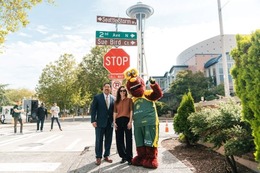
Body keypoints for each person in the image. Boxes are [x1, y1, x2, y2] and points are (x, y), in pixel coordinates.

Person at [90, 82, 115, 165]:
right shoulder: (97, 97)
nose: (107, 88)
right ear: (103, 88)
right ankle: (98, 157)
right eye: (105, 87)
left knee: (108, 140)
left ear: (110, 89)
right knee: (99, 140)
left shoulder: (113, 98)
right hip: (99, 123)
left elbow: (114, 111)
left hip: (110, 123)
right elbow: (93, 110)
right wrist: (93, 120)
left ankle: (106, 155)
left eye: (108, 87)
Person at [113, 86, 133, 165]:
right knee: (119, 140)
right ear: (119, 92)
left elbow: (131, 111)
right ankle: (123, 156)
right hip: (118, 120)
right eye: (121, 91)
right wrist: (114, 122)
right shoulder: (116, 101)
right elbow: (114, 112)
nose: (122, 92)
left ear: (126, 92)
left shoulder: (129, 100)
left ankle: (129, 158)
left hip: (127, 120)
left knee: (129, 139)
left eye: (124, 91)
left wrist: (130, 122)